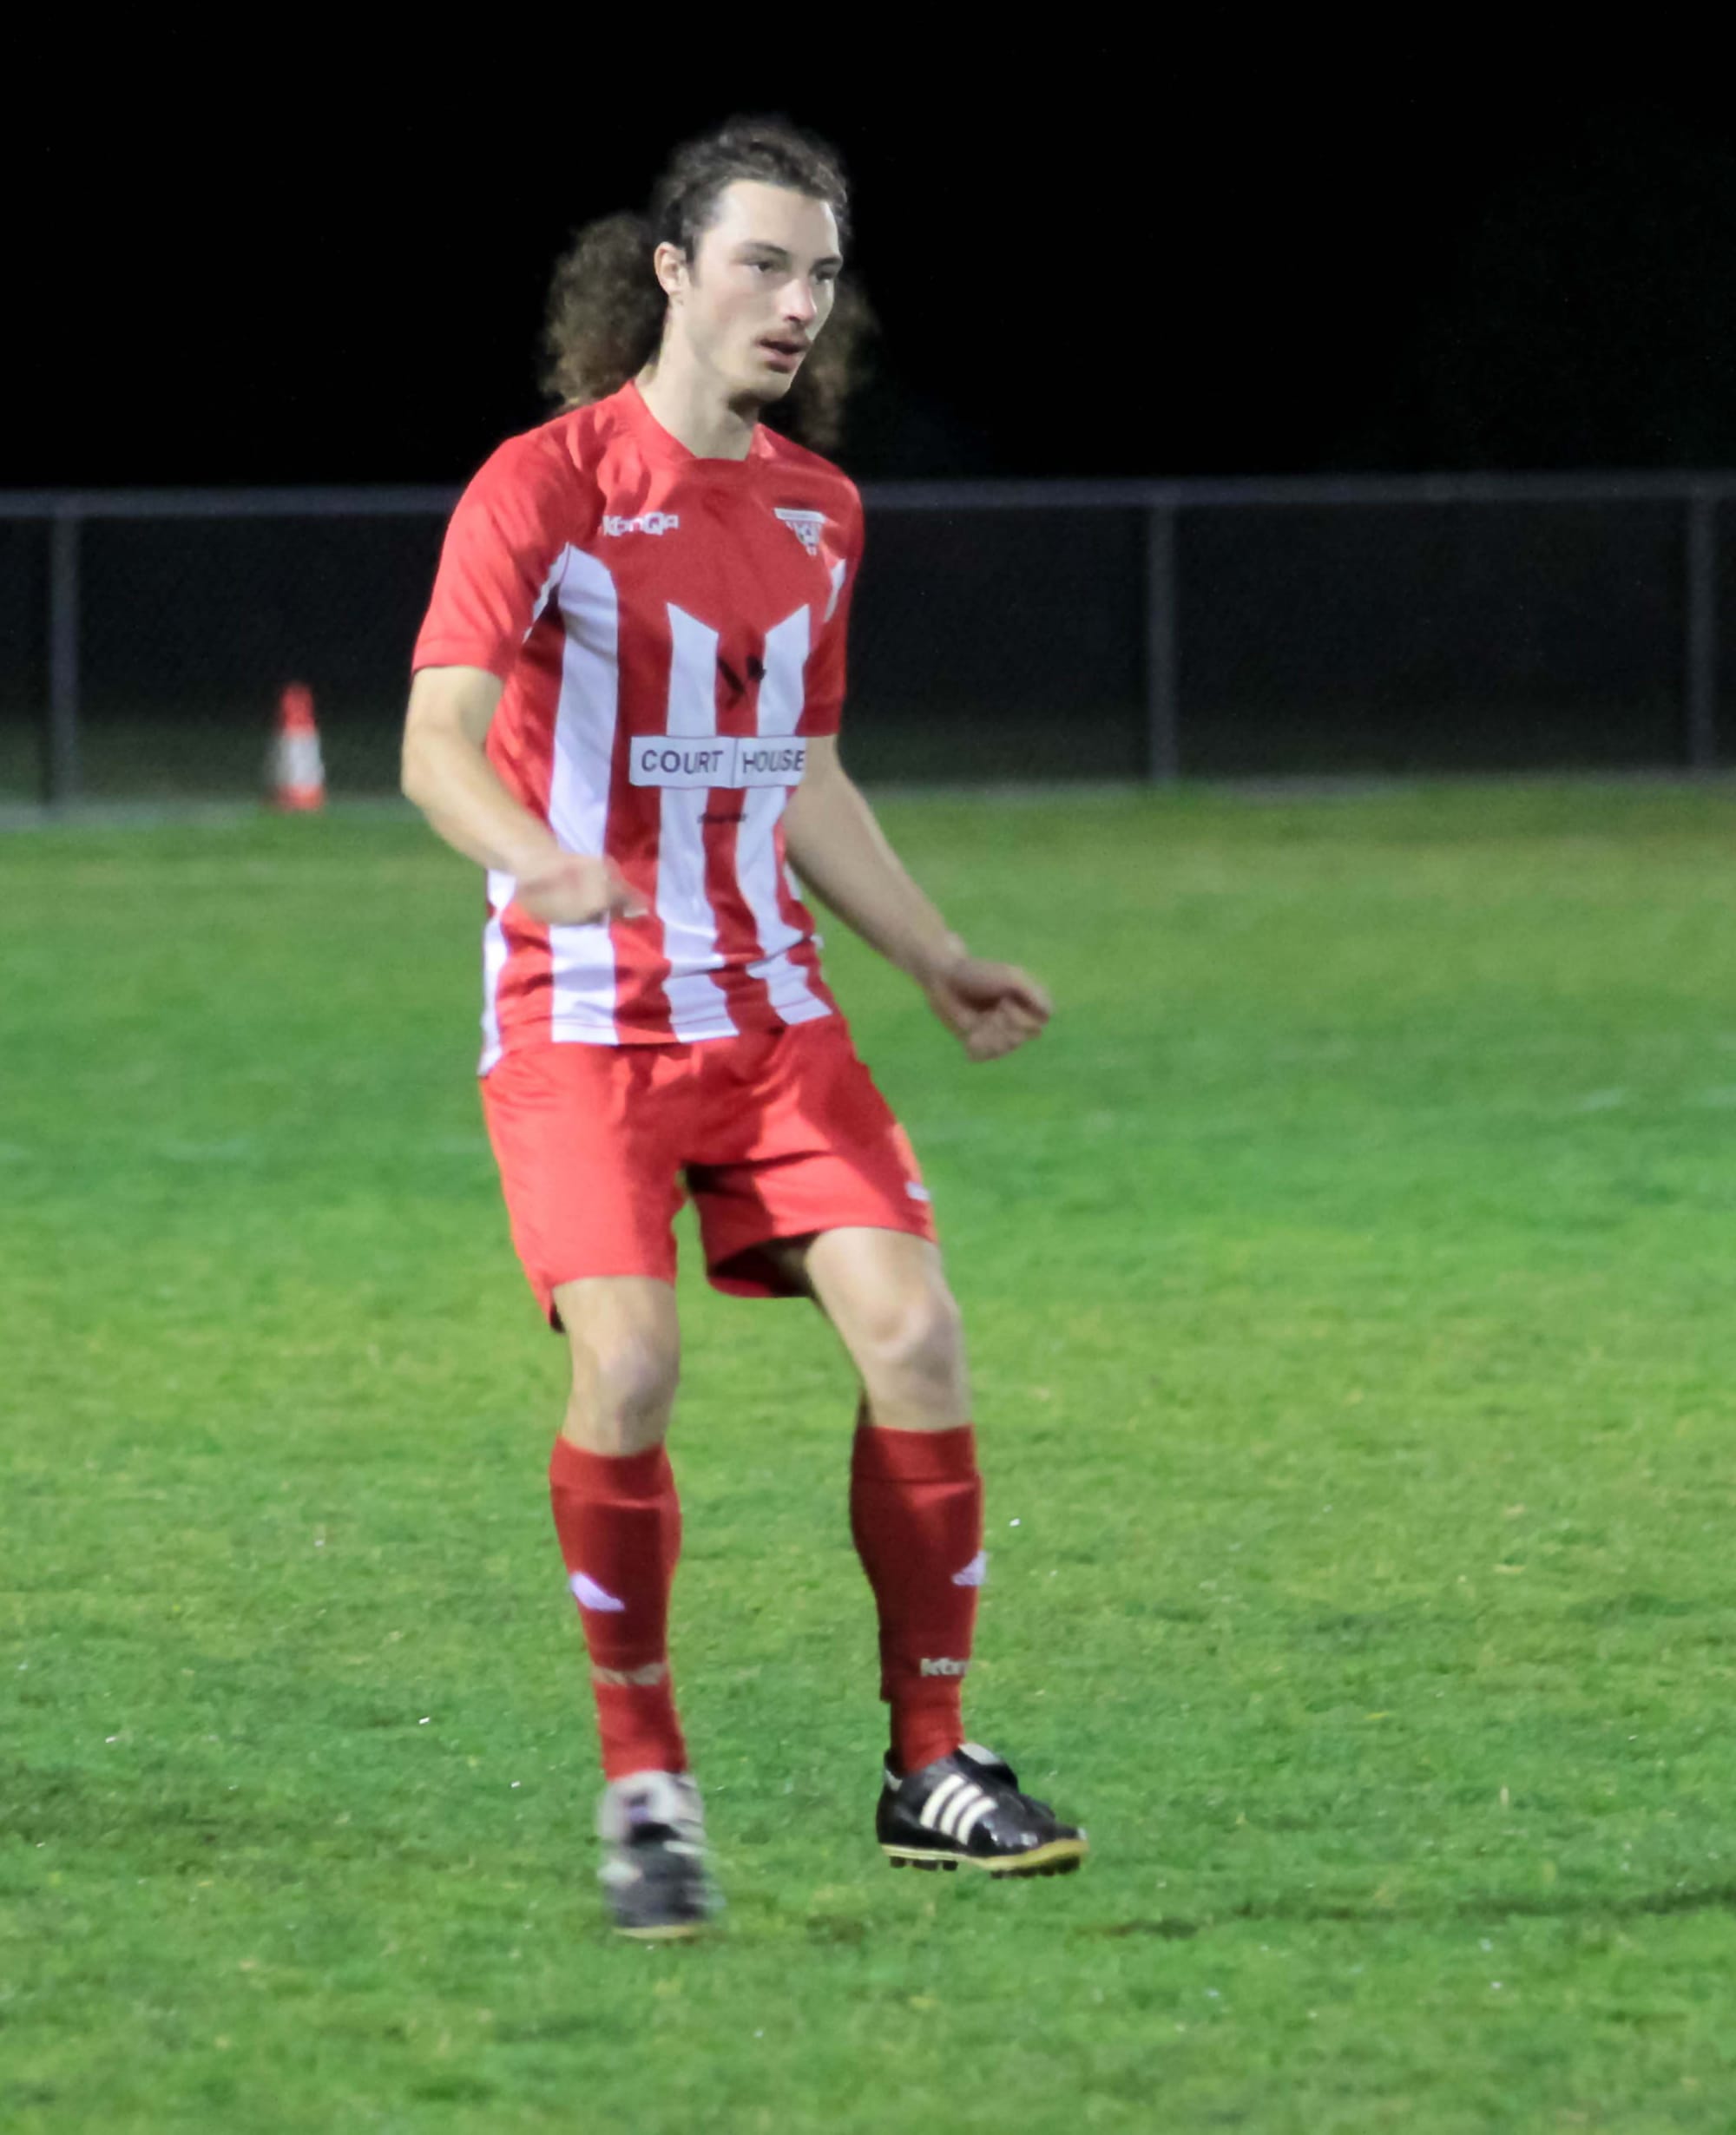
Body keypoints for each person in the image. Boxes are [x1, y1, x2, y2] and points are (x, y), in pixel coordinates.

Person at [402, 115, 1085, 1941]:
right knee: (626, 1373)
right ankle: (647, 1788)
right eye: (766, 262)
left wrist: (934, 957)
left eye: (824, 272)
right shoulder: (539, 487)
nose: (798, 300)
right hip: (578, 1016)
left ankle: (928, 1766)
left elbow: (797, 772)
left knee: (919, 1336)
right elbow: (435, 740)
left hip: (771, 1013)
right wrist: (532, 860)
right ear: (674, 273)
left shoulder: (816, 513)